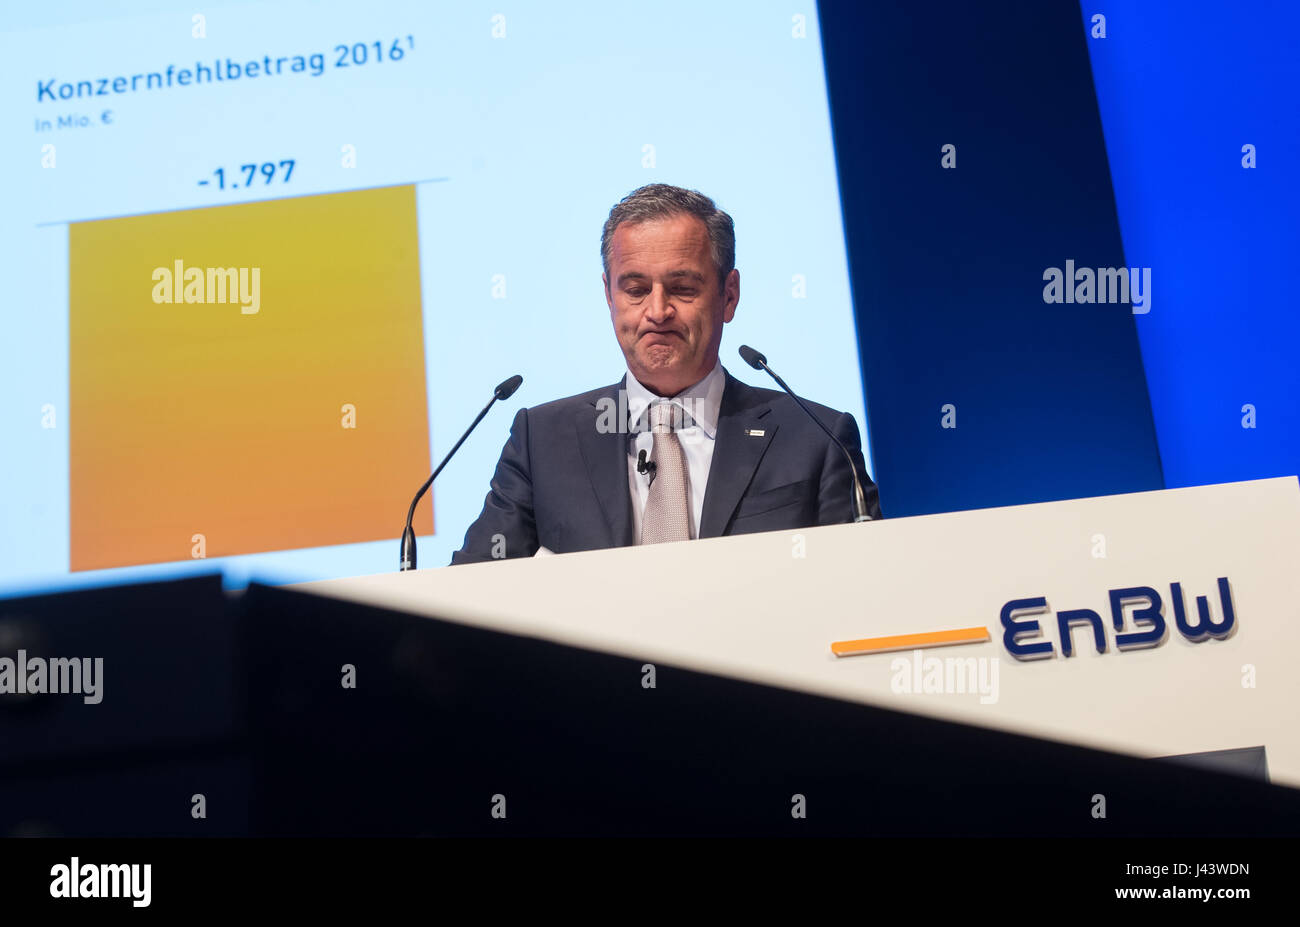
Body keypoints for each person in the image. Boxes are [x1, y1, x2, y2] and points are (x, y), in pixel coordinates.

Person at [451, 183, 881, 564]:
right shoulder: (541, 441)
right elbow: (466, 597)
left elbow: (868, 584)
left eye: (682, 288)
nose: (657, 312)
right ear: (609, 295)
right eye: (635, 290)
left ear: (728, 295)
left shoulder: (818, 440)